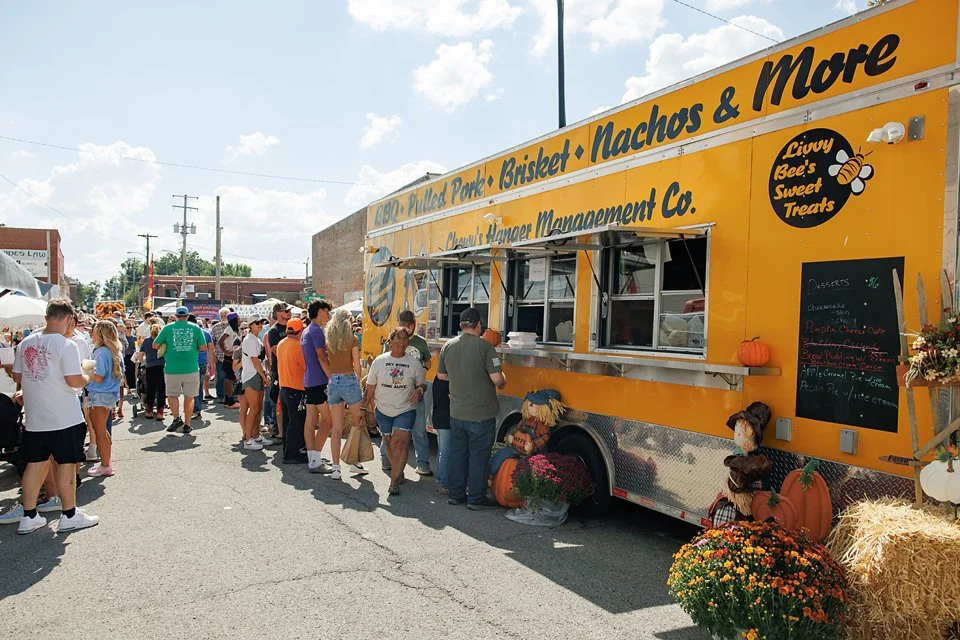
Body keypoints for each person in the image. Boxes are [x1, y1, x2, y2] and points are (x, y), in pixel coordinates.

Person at [11, 298, 100, 534]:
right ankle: (69, 514)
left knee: (35, 465)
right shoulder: (66, 345)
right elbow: (73, 380)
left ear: (47, 317)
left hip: (36, 416)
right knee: (66, 465)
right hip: (63, 416)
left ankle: (29, 515)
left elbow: (17, 376)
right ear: (69, 319)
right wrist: (86, 375)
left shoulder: (26, 342)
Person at [436, 307, 506, 510]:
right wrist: (503, 380)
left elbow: (441, 376)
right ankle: (475, 498)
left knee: (458, 455)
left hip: (457, 412)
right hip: (481, 414)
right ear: (479, 326)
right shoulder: (485, 347)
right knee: (478, 457)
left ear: (461, 326)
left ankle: (456, 495)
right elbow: (497, 379)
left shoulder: (447, 346)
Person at [364, 328, 426, 496]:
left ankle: (393, 481)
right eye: (397, 338)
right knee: (390, 442)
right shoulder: (379, 361)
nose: (401, 341)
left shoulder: (414, 363)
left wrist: (419, 391)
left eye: (405, 339)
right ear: (390, 341)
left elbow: (422, 384)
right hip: (383, 409)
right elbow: (370, 387)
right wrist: (363, 407)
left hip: (405, 409)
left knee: (400, 443)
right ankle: (398, 471)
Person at [382, 310, 432, 476]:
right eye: (403, 324)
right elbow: (384, 363)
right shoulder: (390, 340)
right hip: (394, 394)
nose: (406, 328)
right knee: (389, 430)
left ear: (414, 325)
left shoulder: (420, 342)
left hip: (415, 392)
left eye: (409, 325)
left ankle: (423, 464)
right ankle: (386, 460)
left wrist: (424, 369)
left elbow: (428, 360)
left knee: (419, 430)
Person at [324, 308, 367, 480]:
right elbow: (357, 364)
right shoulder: (352, 339)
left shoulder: (329, 339)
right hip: (349, 380)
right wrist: (358, 379)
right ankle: (354, 462)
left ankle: (336, 468)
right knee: (358, 422)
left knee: (337, 428)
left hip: (334, 382)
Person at [153, 306, 206, 434]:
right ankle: (187, 424)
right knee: (190, 397)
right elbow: (203, 347)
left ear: (176, 316)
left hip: (172, 368)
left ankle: (176, 418)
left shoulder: (167, 328)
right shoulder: (195, 328)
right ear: (188, 316)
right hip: (191, 368)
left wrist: (167, 345)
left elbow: (155, 345)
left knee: (172, 395)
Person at [85, 320, 124, 477]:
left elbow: (99, 376)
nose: (91, 333)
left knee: (99, 430)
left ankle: (105, 464)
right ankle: (106, 463)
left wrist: (85, 369)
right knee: (103, 430)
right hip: (108, 394)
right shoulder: (115, 351)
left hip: (99, 393)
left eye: (94, 331)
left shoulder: (101, 352)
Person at [301, 299, 334, 474]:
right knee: (328, 421)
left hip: (309, 381)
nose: (328, 315)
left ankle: (312, 458)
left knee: (311, 420)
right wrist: (331, 378)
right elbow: (322, 357)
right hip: (318, 381)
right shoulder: (316, 332)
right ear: (320, 311)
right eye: (327, 312)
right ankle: (315, 459)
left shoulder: (306, 331)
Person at [276, 318, 308, 463]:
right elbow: (306, 366)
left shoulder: (282, 344)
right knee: (296, 422)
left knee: (288, 422)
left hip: (284, 387)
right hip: (296, 388)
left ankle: (288, 451)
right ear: (299, 331)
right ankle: (292, 454)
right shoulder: (297, 346)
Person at [238, 315, 272, 451]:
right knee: (253, 408)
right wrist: (264, 376)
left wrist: (265, 374)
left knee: (258, 409)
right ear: (250, 325)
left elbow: (261, 361)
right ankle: (248, 440)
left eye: (262, 322)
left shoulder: (256, 340)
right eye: (257, 323)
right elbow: (255, 361)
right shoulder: (249, 340)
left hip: (257, 374)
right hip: (251, 376)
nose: (260, 324)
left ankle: (256, 435)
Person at [264, 302, 290, 439]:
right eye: (286, 311)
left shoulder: (294, 327)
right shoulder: (273, 331)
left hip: (292, 370)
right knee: (276, 398)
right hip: (278, 370)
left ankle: (286, 428)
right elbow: (276, 350)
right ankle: (275, 427)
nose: (289, 313)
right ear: (278, 313)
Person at [140, 320, 166, 419]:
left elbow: (141, 354)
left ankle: (149, 410)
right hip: (162, 366)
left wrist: (141, 361)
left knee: (150, 389)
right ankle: (160, 412)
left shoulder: (146, 341)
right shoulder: (163, 340)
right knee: (161, 389)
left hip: (150, 367)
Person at [189, 314, 214, 420]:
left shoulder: (188, 333)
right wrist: (210, 362)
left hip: (191, 363)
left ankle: (195, 408)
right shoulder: (206, 333)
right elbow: (210, 349)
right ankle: (196, 408)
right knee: (198, 386)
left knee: (191, 387)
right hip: (202, 362)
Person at [432, 377, 452, 494]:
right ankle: (444, 483)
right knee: (446, 452)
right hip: (446, 420)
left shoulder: (437, 378)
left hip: (439, 418)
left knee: (442, 452)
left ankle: (441, 482)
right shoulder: (449, 379)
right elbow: (452, 398)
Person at [217, 312, 241, 408]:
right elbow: (220, 341)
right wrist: (226, 351)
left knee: (229, 379)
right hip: (230, 356)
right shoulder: (229, 329)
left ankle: (228, 400)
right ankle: (230, 401)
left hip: (232, 355)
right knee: (229, 379)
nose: (240, 320)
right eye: (238, 318)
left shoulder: (235, 329)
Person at [210, 307, 229, 402]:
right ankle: (221, 396)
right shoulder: (215, 327)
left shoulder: (233, 326)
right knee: (221, 377)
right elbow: (211, 343)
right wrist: (213, 356)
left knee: (231, 377)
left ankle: (230, 396)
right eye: (222, 316)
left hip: (232, 357)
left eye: (225, 316)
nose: (223, 318)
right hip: (220, 356)